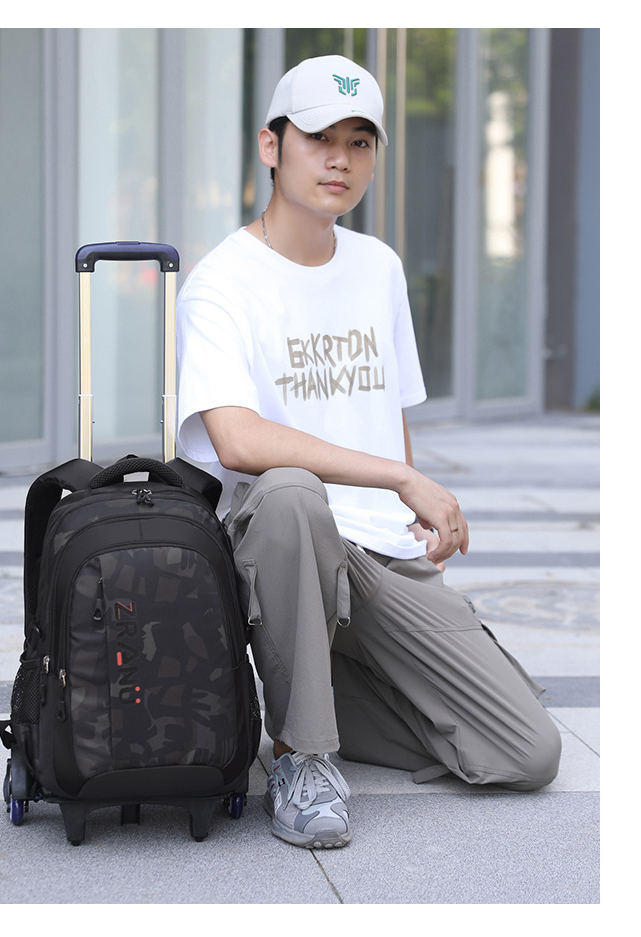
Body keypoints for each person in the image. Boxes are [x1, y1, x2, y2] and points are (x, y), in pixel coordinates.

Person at [175, 54, 561, 849]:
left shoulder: (378, 267)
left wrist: (411, 511)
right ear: (271, 145)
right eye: (320, 138)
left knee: (527, 752)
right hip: (280, 549)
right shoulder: (221, 282)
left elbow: (386, 412)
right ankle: (302, 754)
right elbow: (236, 439)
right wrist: (402, 476)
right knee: (290, 492)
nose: (340, 160)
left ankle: (321, 685)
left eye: (359, 142)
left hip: (381, 554)